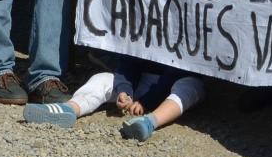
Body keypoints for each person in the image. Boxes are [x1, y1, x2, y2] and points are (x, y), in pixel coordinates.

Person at [23, 54, 205, 142]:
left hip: (173, 85)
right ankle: (70, 108)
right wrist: (124, 92)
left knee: (191, 86)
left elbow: (176, 71)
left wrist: (146, 101)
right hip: (141, 83)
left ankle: (150, 122)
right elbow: (128, 64)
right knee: (102, 78)